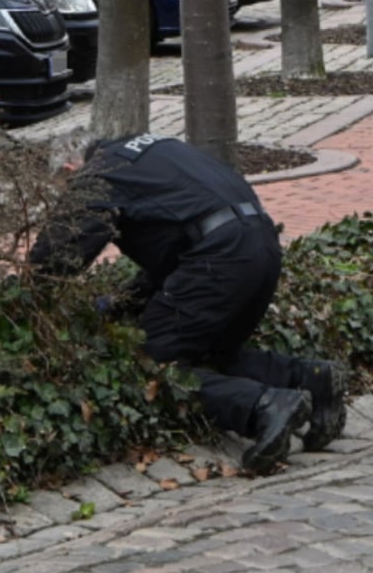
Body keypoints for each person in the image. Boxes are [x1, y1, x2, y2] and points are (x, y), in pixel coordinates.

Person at [28, 130, 347, 476]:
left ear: (71, 169)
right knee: (203, 352)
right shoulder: (148, 151)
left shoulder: (100, 172)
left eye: (65, 188)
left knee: (151, 362)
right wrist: (122, 301)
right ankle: (311, 377)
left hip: (219, 259)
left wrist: (27, 295)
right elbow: (176, 244)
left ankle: (263, 406)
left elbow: (56, 255)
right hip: (259, 246)